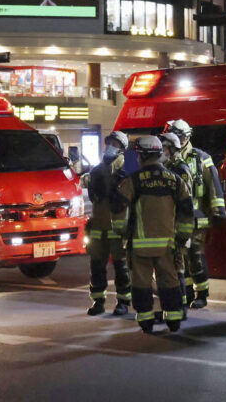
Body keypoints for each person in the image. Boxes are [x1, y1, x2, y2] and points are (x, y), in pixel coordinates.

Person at [112, 136, 194, 333]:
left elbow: (119, 215)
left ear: (142, 156)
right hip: (168, 246)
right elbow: (187, 211)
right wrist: (181, 238)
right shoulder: (175, 180)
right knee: (170, 282)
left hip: (140, 247)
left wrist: (122, 232)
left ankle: (146, 320)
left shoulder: (132, 182)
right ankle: (174, 320)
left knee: (141, 284)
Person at [164, 119, 226, 309]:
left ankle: (202, 293)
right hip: (175, 218)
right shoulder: (168, 158)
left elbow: (213, 185)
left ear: (185, 137)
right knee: (181, 256)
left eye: (180, 136)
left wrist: (218, 210)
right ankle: (188, 291)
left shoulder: (200, 157)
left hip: (197, 218)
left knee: (196, 256)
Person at [83, 131, 131, 316]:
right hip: (98, 227)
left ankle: (123, 302)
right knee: (96, 266)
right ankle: (98, 301)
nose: (111, 146)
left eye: (115, 144)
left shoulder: (127, 169)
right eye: (109, 143)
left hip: (118, 227)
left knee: (121, 266)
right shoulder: (96, 170)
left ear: (122, 148)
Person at [160, 132, 193, 318]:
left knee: (178, 267)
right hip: (170, 225)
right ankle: (179, 307)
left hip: (178, 225)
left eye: (165, 148)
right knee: (173, 267)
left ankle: (181, 308)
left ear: (172, 149)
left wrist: (182, 233)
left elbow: (184, 202)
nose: (162, 151)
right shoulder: (168, 168)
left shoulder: (180, 169)